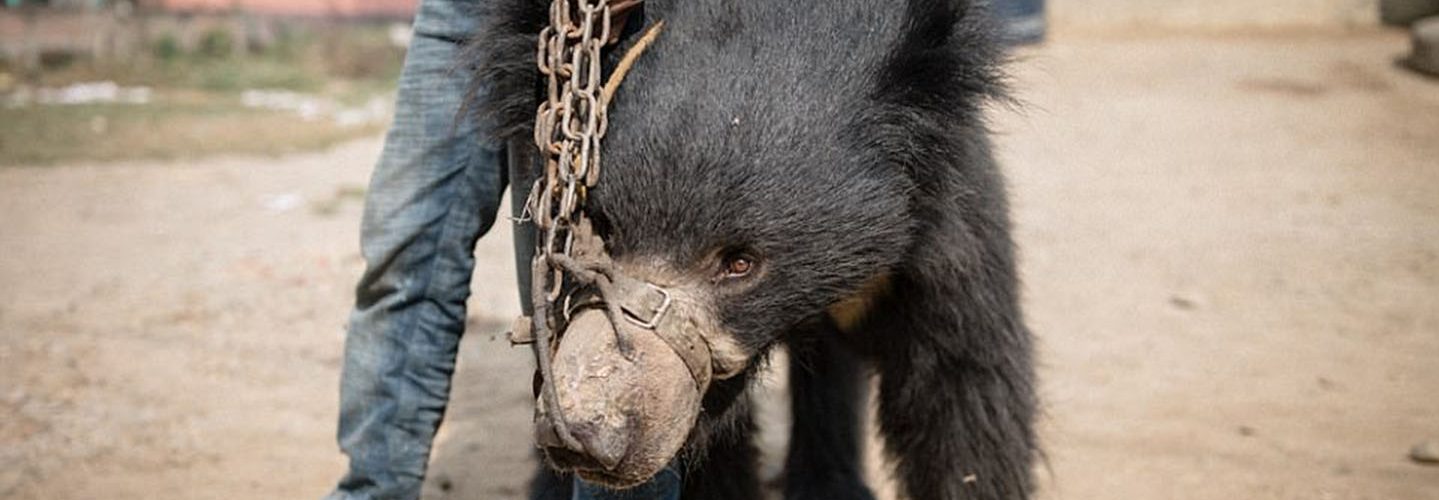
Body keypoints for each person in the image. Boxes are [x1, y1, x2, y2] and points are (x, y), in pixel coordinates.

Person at [322, 0, 680, 498]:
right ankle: (372, 490)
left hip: (601, 19)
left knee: (598, 294)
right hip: (463, 12)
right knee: (405, 251)